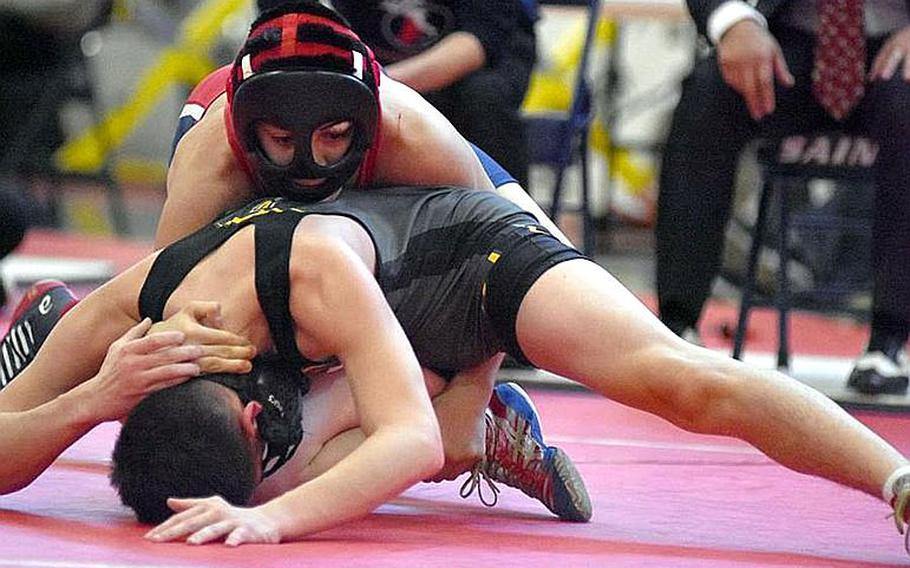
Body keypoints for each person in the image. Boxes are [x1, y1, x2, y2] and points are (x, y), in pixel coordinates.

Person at [7, 179, 908, 547]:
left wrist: (271, 525)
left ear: (246, 408)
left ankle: (897, 480)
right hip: (372, 340)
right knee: (297, 475)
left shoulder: (310, 270)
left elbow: (397, 447)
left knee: (683, 381)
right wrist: (88, 399)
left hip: (470, 269)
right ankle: (472, 421)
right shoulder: (135, 317)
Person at [159, 0, 559, 251]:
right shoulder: (213, 156)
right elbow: (150, 297)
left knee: (483, 101)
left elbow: (478, 44)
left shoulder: (411, 130)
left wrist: (371, 86)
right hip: (350, 81)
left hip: (443, 78)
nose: (309, 159)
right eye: (282, 137)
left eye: (330, 136)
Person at [656, 1, 910, 395]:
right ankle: (677, 325)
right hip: (784, 42)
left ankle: (890, 342)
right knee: (707, 94)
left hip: (896, 47)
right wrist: (733, 22)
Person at [325, 0, 537, 187]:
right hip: (379, 65)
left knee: (485, 100)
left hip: (477, 68)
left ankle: (509, 214)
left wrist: (378, 82)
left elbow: (477, 43)